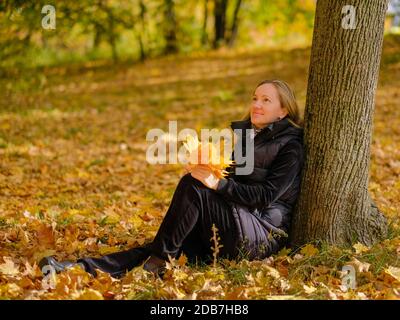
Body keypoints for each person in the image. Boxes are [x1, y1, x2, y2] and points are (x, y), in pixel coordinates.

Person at [39, 79, 305, 279]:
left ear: (283, 111)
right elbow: (231, 180)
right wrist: (206, 170)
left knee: (191, 194)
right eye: (255, 98)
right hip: (233, 224)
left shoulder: (290, 146)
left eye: (266, 100)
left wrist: (215, 183)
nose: (257, 104)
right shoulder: (247, 137)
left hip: (262, 235)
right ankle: (76, 269)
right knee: (159, 245)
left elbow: (265, 196)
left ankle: (159, 262)